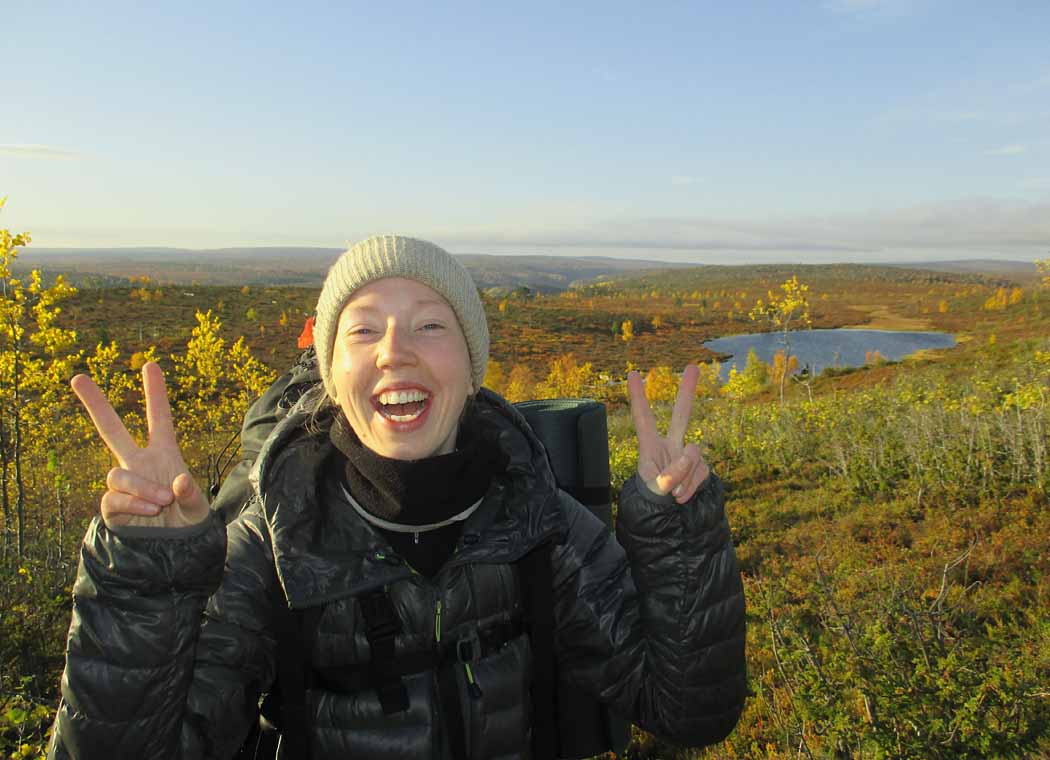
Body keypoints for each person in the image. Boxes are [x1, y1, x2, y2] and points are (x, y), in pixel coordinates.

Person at [48, 235, 747, 759]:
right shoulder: (274, 542)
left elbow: (689, 711)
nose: (394, 351)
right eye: (362, 330)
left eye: (430, 325)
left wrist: (676, 531)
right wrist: (147, 571)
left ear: (472, 372)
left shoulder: (536, 519)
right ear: (332, 375)